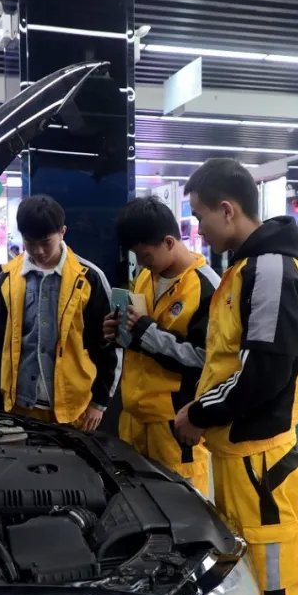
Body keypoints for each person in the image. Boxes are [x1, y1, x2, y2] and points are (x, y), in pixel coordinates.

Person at [174, 158, 298, 595]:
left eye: (199, 217)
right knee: (253, 584)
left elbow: (263, 373)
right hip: (240, 458)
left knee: (276, 590)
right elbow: (227, 361)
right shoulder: (244, 270)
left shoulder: (270, 270)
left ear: (228, 210)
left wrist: (199, 412)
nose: (198, 230)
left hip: (261, 464)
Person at [103, 197, 218, 496]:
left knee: (181, 508)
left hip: (173, 426)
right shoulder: (145, 276)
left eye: (146, 255)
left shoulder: (207, 288)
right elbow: (140, 341)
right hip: (133, 419)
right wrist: (119, 332)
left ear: (169, 242)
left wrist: (145, 331)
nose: (141, 263)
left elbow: (206, 359)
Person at [0, 195, 118, 431]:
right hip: (19, 408)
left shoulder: (89, 278)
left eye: (46, 242)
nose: (38, 251)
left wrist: (100, 402)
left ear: (62, 232)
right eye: (29, 242)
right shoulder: (7, 279)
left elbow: (108, 345)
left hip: (75, 409)